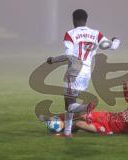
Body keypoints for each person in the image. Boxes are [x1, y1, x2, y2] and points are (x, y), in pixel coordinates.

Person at [46, 9, 121, 137]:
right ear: (86, 20)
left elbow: (68, 55)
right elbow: (113, 47)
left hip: (74, 71)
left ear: (74, 20)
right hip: (86, 72)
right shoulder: (95, 34)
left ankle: (87, 108)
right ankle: (68, 133)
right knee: (70, 103)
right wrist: (116, 40)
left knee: (69, 104)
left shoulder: (70, 34)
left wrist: (52, 60)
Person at [59, 81, 128, 138]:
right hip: (106, 116)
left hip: (108, 128)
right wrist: (125, 88)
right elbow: (127, 96)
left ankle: (63, 127)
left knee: (79, 124)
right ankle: (58, 119)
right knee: (81, 115)